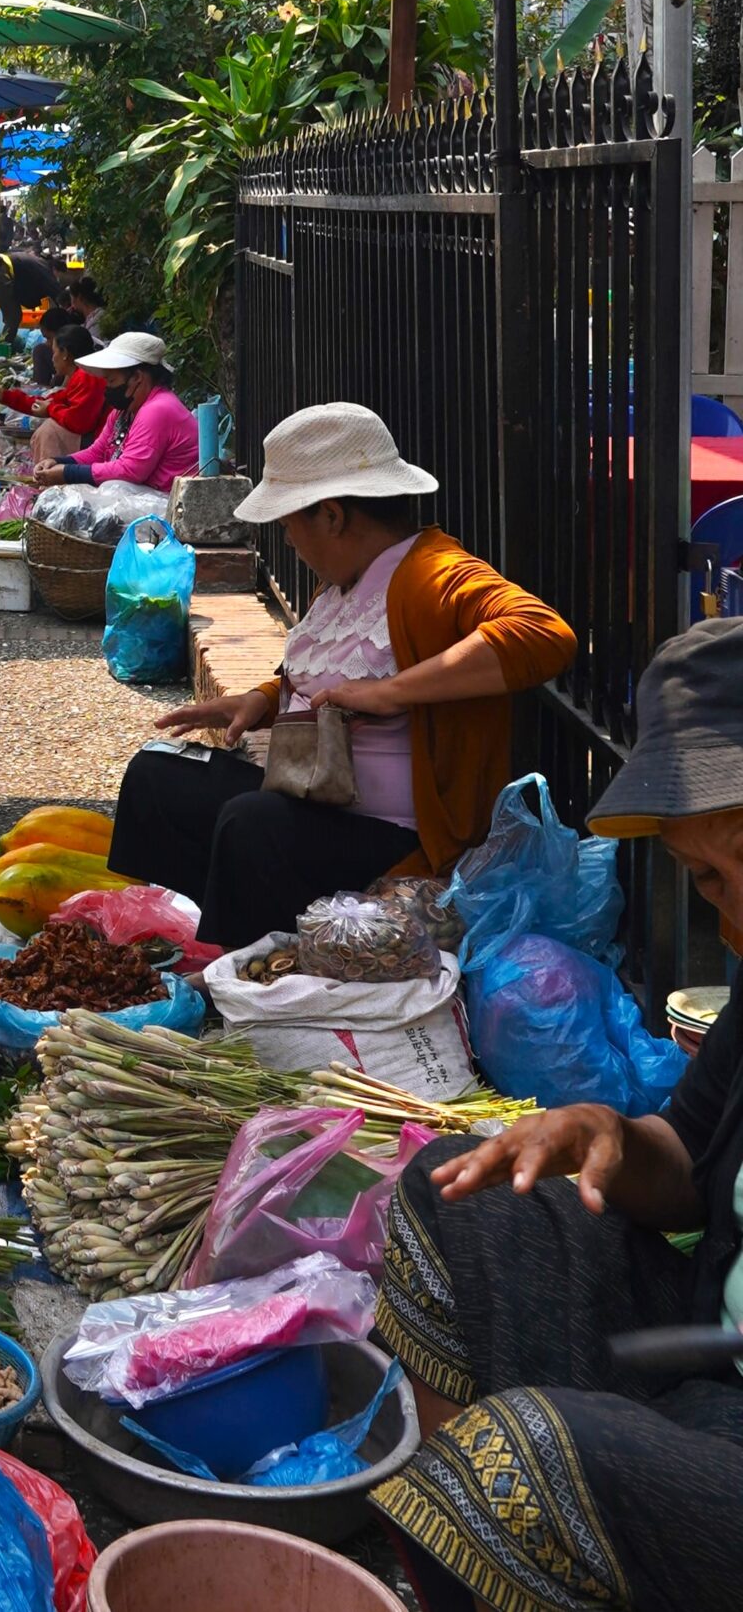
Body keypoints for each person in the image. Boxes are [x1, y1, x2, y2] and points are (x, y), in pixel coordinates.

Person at [364, 618, 743, 1612]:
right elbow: (688, 1161)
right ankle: (536, 1560)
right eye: (705, 880)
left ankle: (546, 1516)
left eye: (730, 866)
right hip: (707, 1358)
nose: (728, 919)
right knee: (456, 1192)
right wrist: (607, 1138)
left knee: (519, 1465)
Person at [110, 402, 573, 945]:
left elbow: (545, 634)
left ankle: (247, 966)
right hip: (316, 795)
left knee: (251, 823)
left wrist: (391, 692)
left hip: (395, 835)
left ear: (331, 516)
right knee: (158, 777)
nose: (288, 541)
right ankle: (194, 934)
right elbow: (322, 669)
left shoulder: (432, 573)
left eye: (289, 525)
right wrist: (261, 699)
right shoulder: (341, 581)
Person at [31, 332, 198, 491]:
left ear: (137, 377)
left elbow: (130, 470)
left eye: (111, 380)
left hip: (166, 501)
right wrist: (56, 461)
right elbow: (98, 452)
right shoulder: (125, 411)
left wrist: (67, 473)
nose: (107, 387)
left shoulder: (158, 409)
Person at [0, 320, 106, 462]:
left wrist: (50, 409)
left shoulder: (87, 376)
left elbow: (77, 421)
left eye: (54, 352)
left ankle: (49, 476)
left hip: (98, 445)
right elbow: (45, 402)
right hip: (94, 441)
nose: (52, 358)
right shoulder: (81, 375)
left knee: (50, 430)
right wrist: (0, 393)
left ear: (65, 353)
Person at [0, 248, 60, 343]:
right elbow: (59, 297)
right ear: (56, 269)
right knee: (13, 315)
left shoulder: (32, 262)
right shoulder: (45, 269)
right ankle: (3, 349)